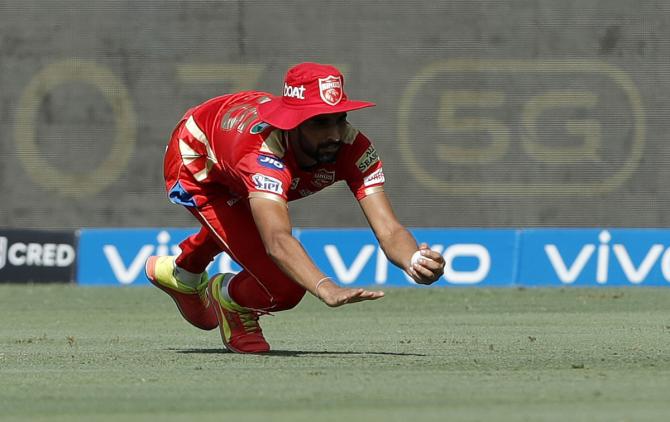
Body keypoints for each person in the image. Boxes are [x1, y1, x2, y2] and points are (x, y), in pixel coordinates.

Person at [145, 62, 446, 354]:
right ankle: (230, 299)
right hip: (199, 159)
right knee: (285, 288)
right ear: (291, 122)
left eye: (339, 118)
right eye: (319, 122)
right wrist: (327, 287)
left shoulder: (353, 148)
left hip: (231, 141)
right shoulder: (261, 158)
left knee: (251, 217)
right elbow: (277, 241)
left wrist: (414, 259)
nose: (335, 135)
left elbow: (389, 229)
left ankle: (183, 274)